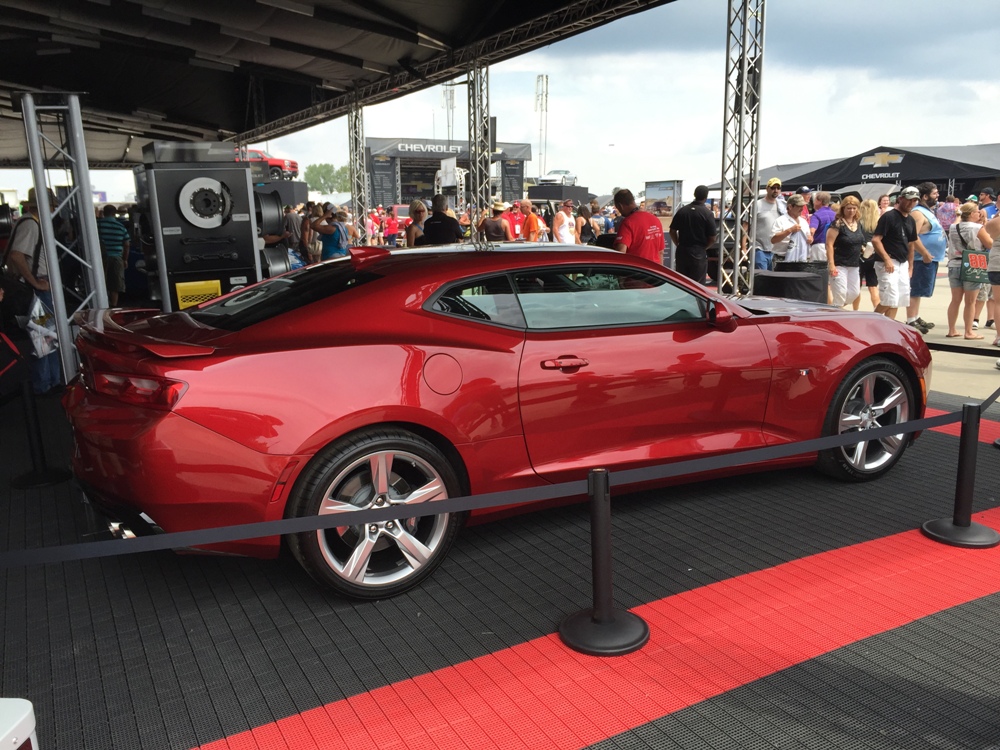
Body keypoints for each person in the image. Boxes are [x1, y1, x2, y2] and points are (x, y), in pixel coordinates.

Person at [5, 187, 61, 394]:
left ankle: (50, 382)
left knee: (46, 337)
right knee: (44, 338)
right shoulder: (32, 225)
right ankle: (43, 384)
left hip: (35, 286)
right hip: (37, 287)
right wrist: (35, 282)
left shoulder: (29, 222)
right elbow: (17, 255)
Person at [871, 186, 933, 322]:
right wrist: (887, 259)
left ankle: (887, 327)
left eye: (914, 201)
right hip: (888, 261)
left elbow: (911, 243)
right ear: (900, 199)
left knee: (899, 299)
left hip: (902, 263)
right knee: (889, 298)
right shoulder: (889, 216)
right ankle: (870, 321)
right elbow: (876, 240)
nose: (911, 204)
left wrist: (910, 266)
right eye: (909, 200)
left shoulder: (910, 219)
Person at [946, 202, 992, 340]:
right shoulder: (978, 227)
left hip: (954, 263)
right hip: (972, 264)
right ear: (972, 214)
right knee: (970, 301)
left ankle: (952, 329)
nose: (979, 214)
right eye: (977, 212)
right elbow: (989, 243)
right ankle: (968, 331)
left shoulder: (954, 226)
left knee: (955, 300)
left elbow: (957, 221)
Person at [905, 182, 947, 333]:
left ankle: (915, 317)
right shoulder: (917, 213)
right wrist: (924, 253)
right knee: (915, 290)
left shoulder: (927, 211)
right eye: (935, 193)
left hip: (928, 259)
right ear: (925, 196)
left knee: (920, 290)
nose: (938, 196)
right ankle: (910, 320)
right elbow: (912, 236)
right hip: (920, 259)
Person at [669, 185, 716, 280]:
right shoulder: (707, 213)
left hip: (682, 250)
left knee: (682, 282)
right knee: (697, 285)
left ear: (694, 194)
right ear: (706, 197)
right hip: (698, 251)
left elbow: (672, 231)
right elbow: (713, 238)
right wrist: (704, 248)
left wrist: (678, 243)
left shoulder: (682, 211)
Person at [824, 196, 864, 308]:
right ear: (843, 209)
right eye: (848, 208)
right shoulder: (837, 224)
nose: (851, 211)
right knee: (840, 293)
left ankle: (835, 309)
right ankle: (837, 312)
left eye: (854, 208)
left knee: (854, 293)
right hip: (839, 263)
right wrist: (831, 264)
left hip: (854, 264)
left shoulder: (858, 224)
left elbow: (859, 240)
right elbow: (829, 244)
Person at [614, 188, 666, 265]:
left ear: (620, 206)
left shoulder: (628, 222)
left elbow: (621, 252)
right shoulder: (655, 220)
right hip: (654, 272)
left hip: (636, 273)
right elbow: (660, 252)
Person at [745, 177, 786, 271]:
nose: (775, 190)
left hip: (776, 251)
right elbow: (745, 226)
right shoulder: (756, 205)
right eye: (773, 188)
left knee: (774, 280)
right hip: (759, 249)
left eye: (778, 188)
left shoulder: (783, 205)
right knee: (762, 278)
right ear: (767, 188)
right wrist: (743, 247)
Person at [96, 204, 130, 307]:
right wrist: (125, 259)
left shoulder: (98, 225)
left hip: (100, 258)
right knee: (115, 284)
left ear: (104, 213)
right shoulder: (120, 227)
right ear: (114, 213)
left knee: (101, 281)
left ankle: (103, 305)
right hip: (116, 257)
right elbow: (127, 244)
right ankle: (113, 306)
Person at [770, 193, 811, 263]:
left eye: (803, 206)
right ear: (790, 207)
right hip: (782, 259)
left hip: (800, 259)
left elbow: (808, 236)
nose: (802, 209)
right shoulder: (780, 221)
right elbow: (773, 240)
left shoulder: (803, 222)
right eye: (799, 206)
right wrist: (790, 230)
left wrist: (810, 238)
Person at [858, 199, 881, 309]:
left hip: (860, 255)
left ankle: (855, 310)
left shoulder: (858, 223)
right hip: (874, 255)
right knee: (873, 286)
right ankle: (877, 310)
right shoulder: (879, 223)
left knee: (856, 287)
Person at [808, 191, 835, 261]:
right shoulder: (835, 215)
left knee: (818, 269)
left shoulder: (816, 215)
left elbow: (812, 230)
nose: (813, 203)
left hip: (819, 247)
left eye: (814, 200)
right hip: (833, 246)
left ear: (819, 201)